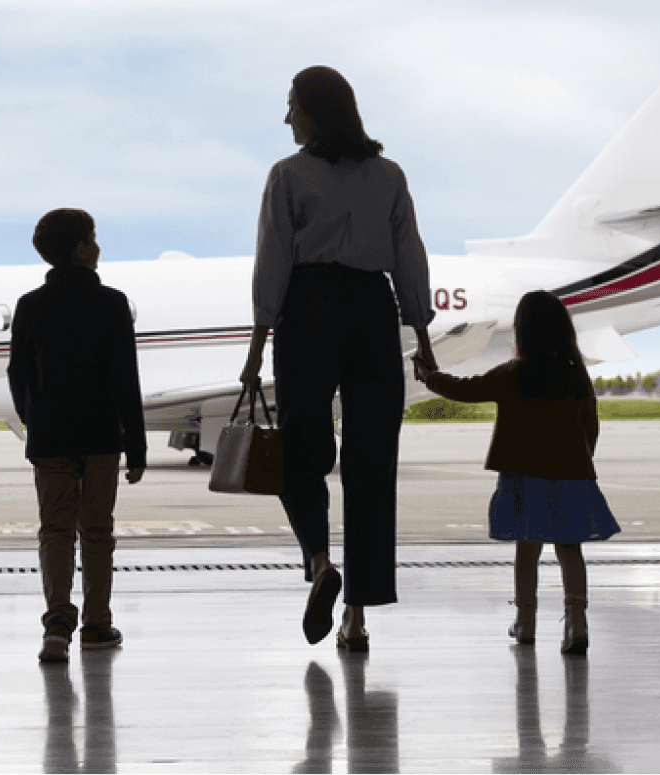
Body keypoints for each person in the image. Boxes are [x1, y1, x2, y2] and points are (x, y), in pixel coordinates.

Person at [239, 66, 437, 651]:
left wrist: (255, 349)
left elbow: (272, 262)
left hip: (309, 307)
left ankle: (321, 561)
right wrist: (421, 339)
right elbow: (410, 258)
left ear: (315, 110)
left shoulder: (288, 175)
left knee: (301, 449)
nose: (287, 117)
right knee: (372, 460)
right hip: (373, 310)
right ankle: (356, 615)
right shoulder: (389, 176)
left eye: (292, 105)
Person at [415, 290, 620, 654]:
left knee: (528, 551)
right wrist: (580, 460)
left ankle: (526, 623)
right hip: (572, 474)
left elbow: (464, 389)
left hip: (524, 478)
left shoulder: (513, 374)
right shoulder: (576, 377)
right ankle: (577, 622)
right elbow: (591, 426)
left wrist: (429, 376)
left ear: (522, 333)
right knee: (569, 549)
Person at [8, 208, 148, 663]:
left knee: (55, 531)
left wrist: (32, 418)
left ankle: (56, 625)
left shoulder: (30, 306)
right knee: (97, 530)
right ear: (82, 248)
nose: (98, 245)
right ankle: (96, 624)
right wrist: (137, 444)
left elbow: (17, 374)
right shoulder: (112, 304)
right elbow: (127, 378)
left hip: (50, 436)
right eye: (93, 238)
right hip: (101, 435)